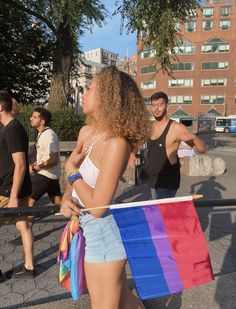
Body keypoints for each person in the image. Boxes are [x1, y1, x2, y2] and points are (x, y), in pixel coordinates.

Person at [60, 66, 149, 308]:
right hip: (85, 230)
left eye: (90, 88)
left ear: (108, 97)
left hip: (103, 238)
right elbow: (75, 185)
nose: (84, 93)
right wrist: (67, 197)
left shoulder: (116, 144)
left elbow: (98, 207)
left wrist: (70, 169)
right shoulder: (86, 132)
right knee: (125, 302)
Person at [146, 91, 206, 199]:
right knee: (157, 212)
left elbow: (202, 149)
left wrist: (194, 137)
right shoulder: (149, 127)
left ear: (167, 106)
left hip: (168, 179)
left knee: (163, 213)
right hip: (153, 178)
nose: (156, 108)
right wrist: (132, 154)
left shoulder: (176, 128)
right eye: (154, 105)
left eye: (160, 105)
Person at [0, 90, 34, 279]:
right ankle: (29, 267)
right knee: (23, 225)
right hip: (18, 187)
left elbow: (20, 163)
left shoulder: (12, 128)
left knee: (24, 225)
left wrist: (13, 196)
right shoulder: (11, 127)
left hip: (9, 189)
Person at [28, 107, 61, 208]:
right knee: (58, 202)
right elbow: (44, 156)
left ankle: (25, 224)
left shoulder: (49, 135)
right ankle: (79, 216)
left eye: (34, 117)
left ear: (42, 121)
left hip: (45, 174)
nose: (30, 118)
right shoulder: (42, 134)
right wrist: (32, 165)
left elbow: (53, 159)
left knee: (28, 201)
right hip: (50, 175)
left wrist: (35, 168)